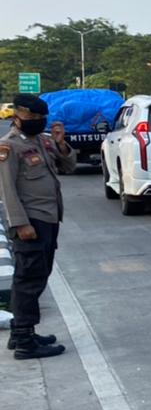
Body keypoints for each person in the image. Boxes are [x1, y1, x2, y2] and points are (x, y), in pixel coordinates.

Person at [0, 95, 77, 358]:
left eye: (40, 118)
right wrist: (20, 224)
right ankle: (24, 341)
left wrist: (60, 143)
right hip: (31, 221)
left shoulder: (42, 141)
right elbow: (7, 190)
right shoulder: (9, 146)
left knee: (39, 274)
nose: (37, 122)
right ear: (17, 117)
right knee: (28, 280)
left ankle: (23, 331)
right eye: (31, 118)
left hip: (49, 217)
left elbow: (68, 166)